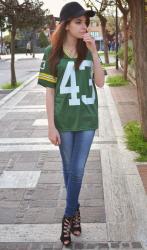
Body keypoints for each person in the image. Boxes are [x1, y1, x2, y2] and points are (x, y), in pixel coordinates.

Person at [38, 1, 104, 247]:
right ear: (65, 25)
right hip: (64, 121)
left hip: (87, 118)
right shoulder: (51, 53)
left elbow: (100, 83)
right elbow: (49, 92)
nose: (83, 26)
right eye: (78, 22)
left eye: (85, 22)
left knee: (76, 170)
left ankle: (67, 217)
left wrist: (95, 52)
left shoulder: (88, 51)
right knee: (68, 171)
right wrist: (50, 126)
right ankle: (76, 215)